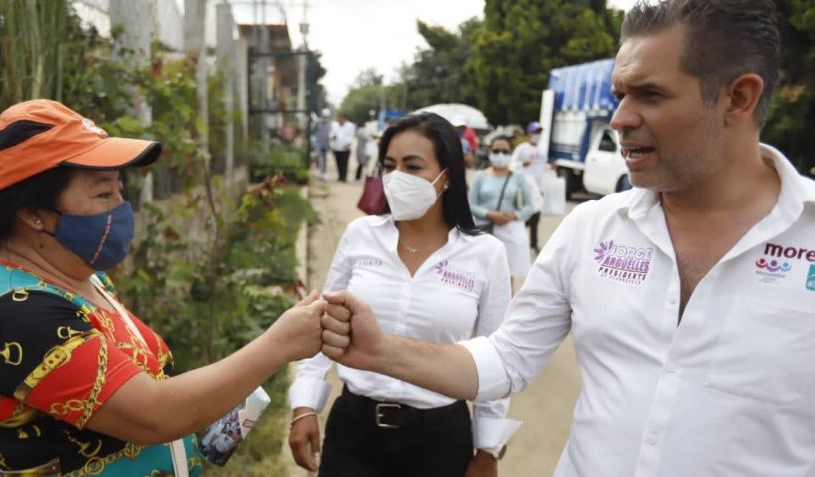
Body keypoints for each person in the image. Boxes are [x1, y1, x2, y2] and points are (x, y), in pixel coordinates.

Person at [320, 2, 815, 476]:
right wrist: (380, 351)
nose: (620, 118)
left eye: (650, 94)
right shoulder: (591, 228)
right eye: (620, 94)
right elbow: (507, 358)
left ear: (739, 97)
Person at [0, 100, 333, 475]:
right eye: (103, 195)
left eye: (119, 191)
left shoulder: (82, 279)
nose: (121, 208)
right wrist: (279, 344)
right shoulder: (14, 313)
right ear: (32, 214)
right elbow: (155, 414)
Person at [288, 112, 518, 477]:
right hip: (354, 431)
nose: (397, 179)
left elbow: (496, 359)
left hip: (440, 439)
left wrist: (487, 449)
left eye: (413, 167)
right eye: (390, 166)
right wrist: (304, 406)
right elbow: (324, 322)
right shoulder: (361, 235)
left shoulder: (485, 254)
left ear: (448, 176)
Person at [469, 135, 538, 282]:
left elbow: (529, 207)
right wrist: (489, 214)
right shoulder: (480, 176)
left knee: (506, 277)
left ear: (511, 154)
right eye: (496, 150)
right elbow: (471, 204)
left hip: (509, 234)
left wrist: (513, 216)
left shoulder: (518, 177)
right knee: (481, 276)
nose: (500, 154)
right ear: (489, 152)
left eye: (505, 151)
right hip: (484, 231)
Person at [510, 121, 547, 253]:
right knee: (525, 217)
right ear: (529, 133)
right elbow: (511, 164)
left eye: (539, 133)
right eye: (535, 132)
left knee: (536, 218)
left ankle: (533, 244)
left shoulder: (541, 150)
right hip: (525, 189)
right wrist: (521, 164)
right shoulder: (522, 148)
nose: (538, 135)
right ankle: (516, 240)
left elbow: (542, 168)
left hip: (538, 189)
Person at [330, 113, 356, 182]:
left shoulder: (350, 126)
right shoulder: (335, 126)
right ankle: (340, 176)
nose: (340, 120)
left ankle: (344, 177)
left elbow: (352, 136)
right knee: (338, 163)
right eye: (339, 119)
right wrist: (333, 138)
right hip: (337, 148)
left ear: (344, 119)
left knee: (344, 163)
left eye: (341, 119)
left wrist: (349, 143)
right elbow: (331, 135)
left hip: (345, 148)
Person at [313, 108, 333, 179]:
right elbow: (314, 131)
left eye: (327, 117)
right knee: (318, 156)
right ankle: (318, 170)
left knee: (324, 158)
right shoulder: (317, 122)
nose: (325, 118)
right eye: (324, 117)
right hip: (318, 142)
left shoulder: (330, 124)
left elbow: (331, 133)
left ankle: (324, 172)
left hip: (326, 143)